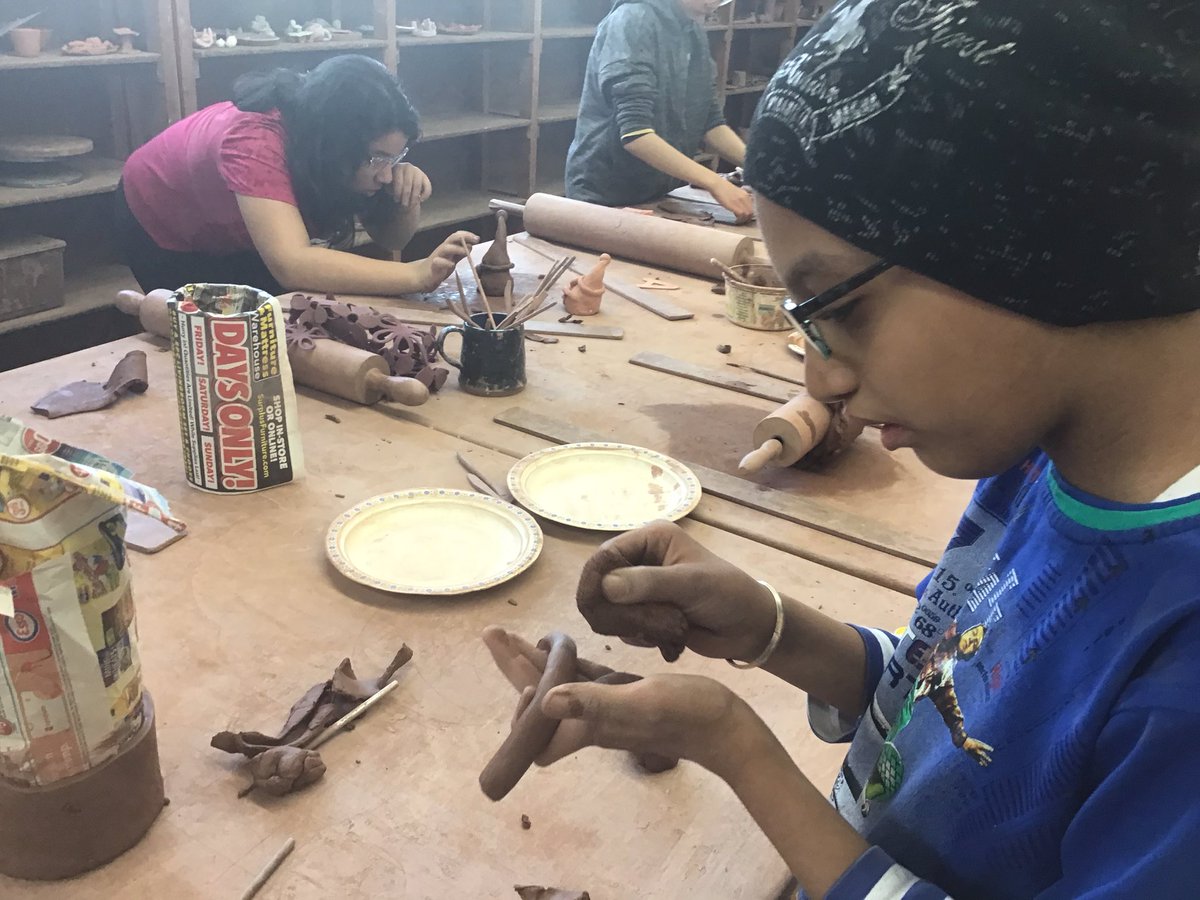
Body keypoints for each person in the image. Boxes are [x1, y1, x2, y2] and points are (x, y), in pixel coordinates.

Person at [492, 2, 1200, 897]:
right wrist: (771, 627)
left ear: (1034, 242)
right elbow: (970, 702)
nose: (821, 382)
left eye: (844, 309)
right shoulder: (1043, 455)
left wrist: (736, 745)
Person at [115, 55, 476, 296]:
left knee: (278, 320)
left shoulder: (351, 148)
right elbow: (293, 264)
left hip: (238, 223)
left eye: (396, 156)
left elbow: (391, 238)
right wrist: (416, 274)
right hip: (161, 219)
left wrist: (404, 195)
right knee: (213, 335)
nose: (386, 173)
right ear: (336, 145)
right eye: (379, 159)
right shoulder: (256, 140)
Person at [565, 0, 754, 222]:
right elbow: (636, 135)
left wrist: (757, 166)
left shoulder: (692, 32)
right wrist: (714, 182)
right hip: (605, 196)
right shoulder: (633, 21)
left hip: (655, 192)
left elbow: (710, 121)